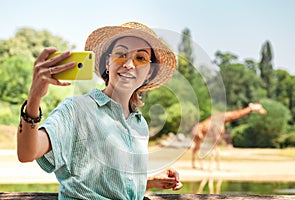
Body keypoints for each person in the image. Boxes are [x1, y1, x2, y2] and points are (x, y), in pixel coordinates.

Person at [17, 22, 183, 199]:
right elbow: (27, 152)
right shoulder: (76, 109)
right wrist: (34, 99)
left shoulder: (139, 124)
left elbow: (105, 179)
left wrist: (147, 181)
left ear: (149, 72)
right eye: (121, 54)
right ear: (107, 63)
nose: (128, 64)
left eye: (140, 58)